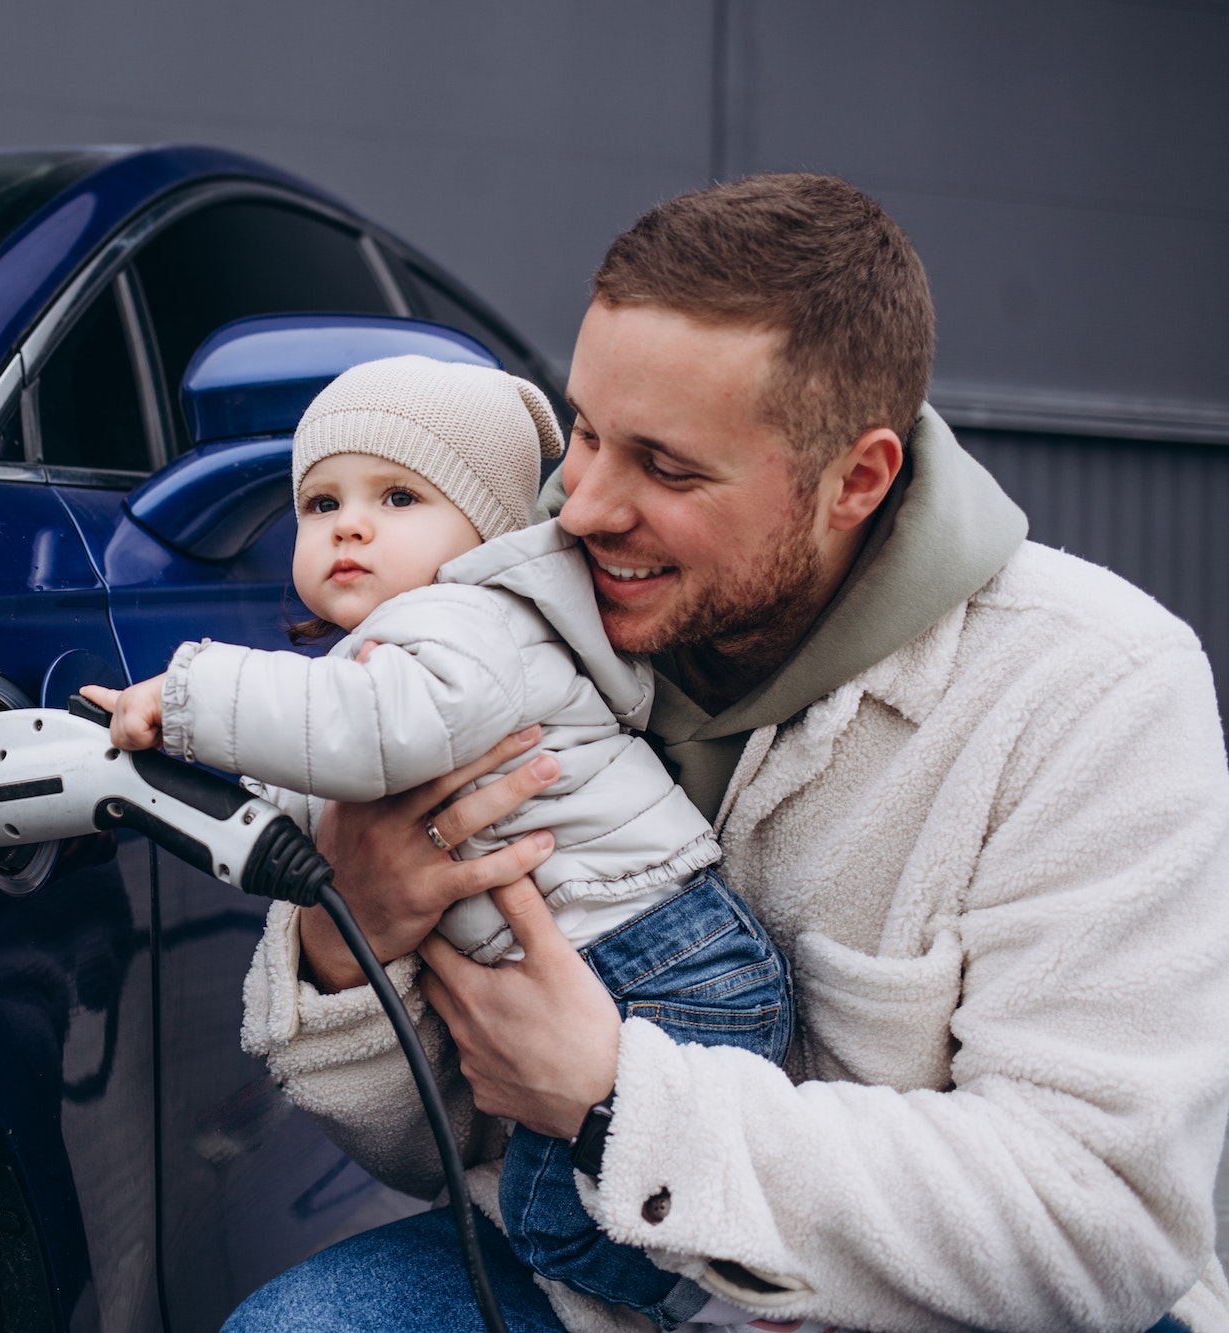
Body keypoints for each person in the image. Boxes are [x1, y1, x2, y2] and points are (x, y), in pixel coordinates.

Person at [223, 174, 1229, 1333]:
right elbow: (427, 1151)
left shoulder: (1087, 684)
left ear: (855, 479)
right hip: (586, 1280)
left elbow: (1096, 1215)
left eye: (665, 466)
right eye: (586, 432)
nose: (581, 506)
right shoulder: (501, 622)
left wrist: (617, 1101)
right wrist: (347, 941)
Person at [85, 354, 792, 1329]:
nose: (350, 524)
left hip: (653, 963)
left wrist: (189, 700)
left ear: (488, 529)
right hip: (643, 966)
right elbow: (320, 777)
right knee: (574, 1225)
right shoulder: (385, 652)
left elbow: (371, 730)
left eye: (398, 494)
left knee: (585, 1242)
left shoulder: (469, 622)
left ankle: (715, 1299)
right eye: (319, 502)